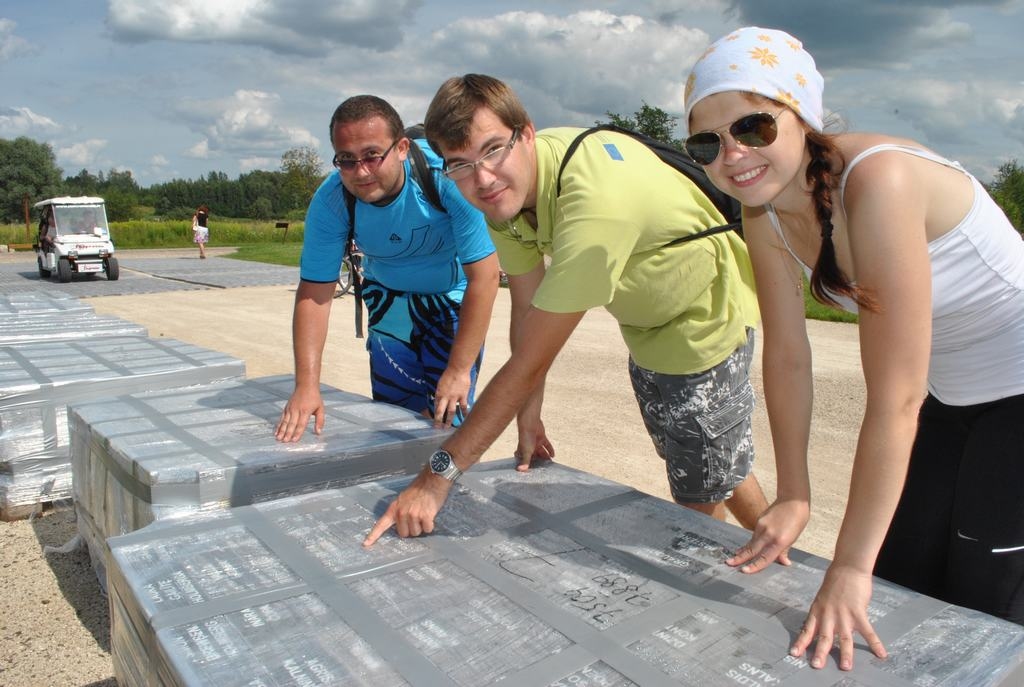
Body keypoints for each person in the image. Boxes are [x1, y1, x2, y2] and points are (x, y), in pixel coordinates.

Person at [683, 26, 1024, 671]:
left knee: (984, 595)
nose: (732, 154)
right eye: (707, 141)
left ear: (803, 118)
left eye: (753, 127)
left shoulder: (878, 181)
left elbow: (894, 400)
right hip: (952, 394)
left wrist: (847, 564)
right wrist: (794, 493)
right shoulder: (763, 213)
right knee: (904, 571)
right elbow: (787, 356)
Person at [364, 75, 767, 545]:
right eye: (460, 165)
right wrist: (528, 415)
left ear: (527, 133)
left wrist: (435, 480)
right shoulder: (503, 198)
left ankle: (713, 607)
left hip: (703, 319)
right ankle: (788, 562)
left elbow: (531, 360)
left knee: (694, 508)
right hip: (647, 325)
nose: (483, 179)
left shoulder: (594, 203)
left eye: (494, 149)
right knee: (713, 460)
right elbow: (527, 310)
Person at [275, 95, 499, 438]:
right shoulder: (332, 200)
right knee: (396, 423)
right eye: (346, 160)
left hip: (451, 302)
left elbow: (483, 277)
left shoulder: (448, 179)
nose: (360, 172)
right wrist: (306, 387)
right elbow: (314, 295)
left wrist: (459, 368)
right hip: (388, 304)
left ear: (402, 148)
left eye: (372, 156)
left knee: (447, 423)